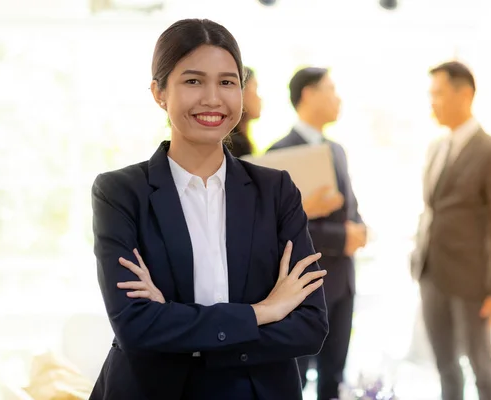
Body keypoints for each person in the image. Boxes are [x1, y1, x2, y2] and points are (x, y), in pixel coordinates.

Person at [89, 19, 329, 400]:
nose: (213, 99)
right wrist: (264, 311)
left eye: (228, 82)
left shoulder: (276, 190)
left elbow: (310, 325)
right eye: (193, 81)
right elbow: (135, 327)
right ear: (159, 92)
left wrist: (177, 324)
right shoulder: (120, 192)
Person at [411, 61, 491, 400]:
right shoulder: (436, 147)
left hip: (473, 281)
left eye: (438, 94)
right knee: (444, 365)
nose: (432, 102)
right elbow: (433, 209)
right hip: (430, 272)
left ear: (465, 94)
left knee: (480, 363)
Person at [269, 67, 367, 400]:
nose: (337, 98)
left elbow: (349, 208)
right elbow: (280, 226)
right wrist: (343, 238)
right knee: (295, 375)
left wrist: (360, 228)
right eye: (331, 89)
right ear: (308, 94)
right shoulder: (278, 153)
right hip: (304, 286)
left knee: (334, 376)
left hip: (343, 283)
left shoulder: (337, 149)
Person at [228, 66, 261, 158]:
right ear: (241, 93)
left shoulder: (240, 142)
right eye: (256, 89)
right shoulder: (235, 146)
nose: (259, 99)